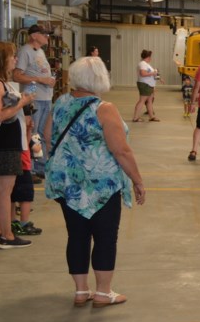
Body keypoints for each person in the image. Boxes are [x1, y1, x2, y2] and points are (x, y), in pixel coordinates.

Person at [44, 56, 145, 308]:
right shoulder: (103, 108)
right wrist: (138, 180)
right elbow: (121, 150)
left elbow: (47, 137)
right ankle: (103, 292)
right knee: (105, 237)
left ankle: (80, 291)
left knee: (76, 236)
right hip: (101, 185)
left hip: (68, 184)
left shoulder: (61, 102)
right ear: (100, 79)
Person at [0, 41, 37, 248]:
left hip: (4, 141)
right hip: (4, 142)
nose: (15, 59)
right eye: (12, 56)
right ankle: (7, 234)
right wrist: (21, 103)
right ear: (1, 59)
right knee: (4, 190)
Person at [13, 25, 54, 180]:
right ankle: (31, 168)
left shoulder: (41, 51)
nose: (47, 37)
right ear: (35, 35)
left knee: (42, 133)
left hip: (45, 97)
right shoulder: (25, 51)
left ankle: (41, 165)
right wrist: (39, 79)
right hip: (33, 99)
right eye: (44, 35)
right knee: (33, 133)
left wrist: (48, 81)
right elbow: (17, 76)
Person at [10, 107, 42, 237]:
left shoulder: (16, 128)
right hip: (23, 167)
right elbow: (35, 147)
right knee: (26, 197)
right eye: (29, 117)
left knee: (12, 196)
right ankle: (23, 223)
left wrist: (29, 129)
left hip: (15, 167)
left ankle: (12, 222)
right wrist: (29, 130)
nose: (32, 120)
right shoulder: (20, 129)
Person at [131, 49, 160, 122]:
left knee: (149, 101)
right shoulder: (143, 64)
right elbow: (143, 74)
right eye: (150, 57)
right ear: (148, 57)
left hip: (148, 85)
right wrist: (153, 73)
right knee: (142, 100)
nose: (151, 58)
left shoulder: (146, 64)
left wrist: (157, 76)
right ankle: (135, 117)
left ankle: (151, 116)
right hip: (145, 85)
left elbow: (150, 73)